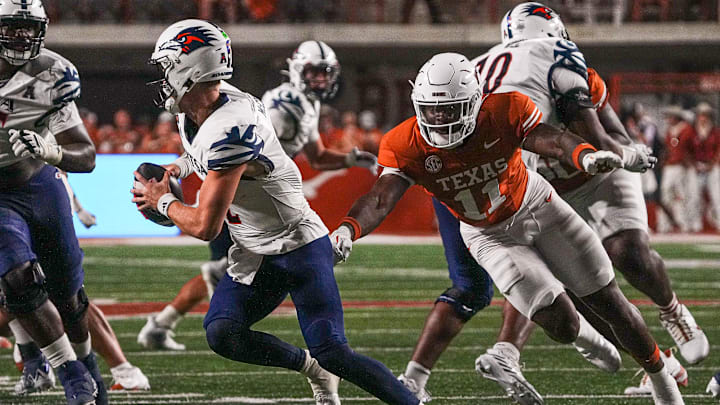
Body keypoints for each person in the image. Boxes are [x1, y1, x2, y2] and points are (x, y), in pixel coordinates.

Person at [330, 52, 684, 405]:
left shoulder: (503, 110)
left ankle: (662, 381)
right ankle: (587, 339)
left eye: (448, 109)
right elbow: (379, 199)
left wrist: (584, 156)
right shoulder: (403, 142)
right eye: (431, 109)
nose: (438, 118)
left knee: (612, 304)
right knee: (562, 325)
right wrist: (348, 229)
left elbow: (554, 140)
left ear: (473, 102)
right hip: (488, 235)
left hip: (539, 208)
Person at [132, 19, 424, 405]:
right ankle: (312, 369)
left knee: (333, 351)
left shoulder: (231, 127)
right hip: (255, 248)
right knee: (223, 333)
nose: (163, 76)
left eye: (168, 65)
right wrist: (180, 169)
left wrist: (162, 202)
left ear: (192, 68)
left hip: (298, 244)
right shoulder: (203, 107)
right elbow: (202, 154)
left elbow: (205, 225)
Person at [473, 3, 706, 399]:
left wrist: (626, 154)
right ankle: (658, 365)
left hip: (599, 173)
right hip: (546, 185)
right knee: (558, 278)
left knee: (627, 250)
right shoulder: (534, 65)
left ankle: (672, 310)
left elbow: (609, 134)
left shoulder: (538, 70)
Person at [137, 40, 377, 353]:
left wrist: (350, 159)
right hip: (241, 196)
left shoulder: (306, 105)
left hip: (255, 195)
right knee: (226, 273)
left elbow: (316, 156)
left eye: (324, 73)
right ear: (296, 70)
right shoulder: (284, 103)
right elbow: (237, 154)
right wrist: (182, 172)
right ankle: (164, 323)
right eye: (313, 72)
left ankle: (163, 323)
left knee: (224, 273)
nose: (320, 79)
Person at [0, 1, 107, 404]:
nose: (22, 36)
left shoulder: (52, 75)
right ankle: (71, 373)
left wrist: (51, 150)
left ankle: (90, 368)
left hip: (39, 185)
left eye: (29, 27)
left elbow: (87, 154)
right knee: (17, 279)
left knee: (69, 297)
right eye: (12, 26)